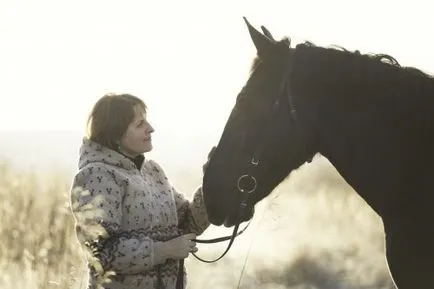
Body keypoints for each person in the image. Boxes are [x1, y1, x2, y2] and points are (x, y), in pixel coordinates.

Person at [70, 93, 211, 289]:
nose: (150, 129)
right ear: (115, 134)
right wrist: (165, 250)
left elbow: (189, 223)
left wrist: (211, 183)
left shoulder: (153, 171)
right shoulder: (96, 176)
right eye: (139, 124)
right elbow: (101, 254)